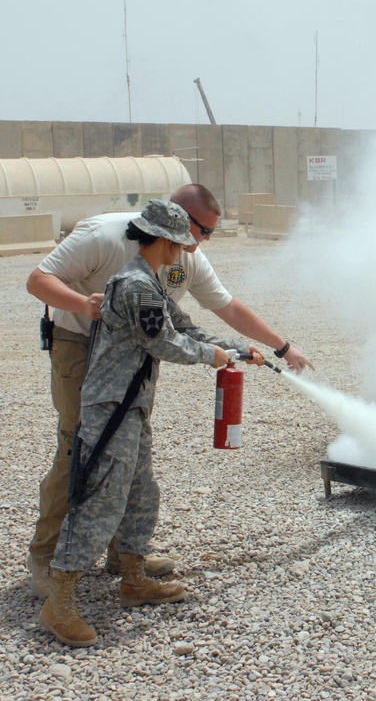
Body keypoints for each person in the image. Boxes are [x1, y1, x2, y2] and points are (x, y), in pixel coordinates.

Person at [26, 183, 314, 599]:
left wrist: (272, 347)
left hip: (135, 360)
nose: (202, 244)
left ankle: (123, 557)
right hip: (80, 345)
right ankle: (48, 561)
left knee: (129, 458)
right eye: (202, 232)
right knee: (80, 449)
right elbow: (38, 280)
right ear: (174, 224)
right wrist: (84, 306)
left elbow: (216, 311)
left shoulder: (182, 261)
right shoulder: (105, 238)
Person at [39, 199, 264, 647]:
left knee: (141, 490)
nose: (184, 252)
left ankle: (133, 577)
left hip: (131, 404)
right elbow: (166, 343)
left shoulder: (151, 282)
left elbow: (186, 327)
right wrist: (210, 357)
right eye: (181, 243)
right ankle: (59, 602)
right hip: (112, 407)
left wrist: (236, 350)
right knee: (101, 498)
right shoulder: (135, 285)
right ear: (163, 241)